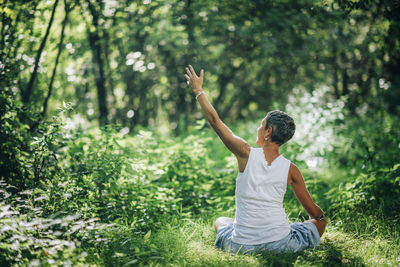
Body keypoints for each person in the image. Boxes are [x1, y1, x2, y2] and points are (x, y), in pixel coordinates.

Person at [184, 65, 327, 255]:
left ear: (269, 131)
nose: (258, 129)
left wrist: (198, 91)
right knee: (315, 223)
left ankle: (250, 232)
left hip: (240, 246)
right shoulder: (291, 170)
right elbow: (315, 213)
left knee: (220, 221)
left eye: (261, 125)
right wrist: (317, 219)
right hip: (282, 245)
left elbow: (215, 122)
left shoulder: (245, 153)